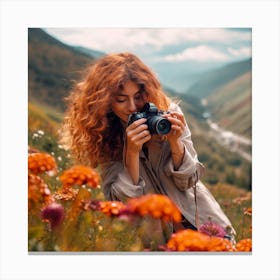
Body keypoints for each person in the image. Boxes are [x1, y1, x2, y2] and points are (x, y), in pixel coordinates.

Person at [61, 52, 236, 246]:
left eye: (138, 97)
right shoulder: (103, 134)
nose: (132, 107)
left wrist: (176, 143)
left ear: (147, 92)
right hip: (159, 241)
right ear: (106, 101)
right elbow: (125, 204)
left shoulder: (168, 114)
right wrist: (132, 153)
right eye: (121, 100)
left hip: (204, 224)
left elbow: (189, 180)